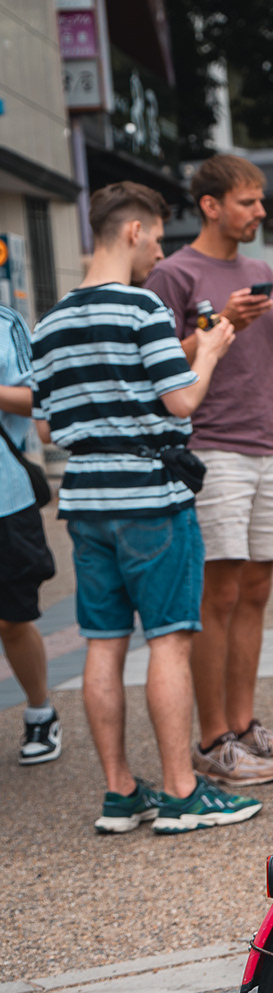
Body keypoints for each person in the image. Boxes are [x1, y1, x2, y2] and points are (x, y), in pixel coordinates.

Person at [30, 182, 260, 834]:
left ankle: (120, 794)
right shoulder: (141, 309)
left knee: (104, 646)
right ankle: (182, 793)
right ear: (131, 232)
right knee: (169, 642)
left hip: (87, 503)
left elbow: (47, 429)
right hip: (152, 502)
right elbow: (182, 402)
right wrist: (211, 350)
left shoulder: (49, 323)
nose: (159, 252)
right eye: (157, 237)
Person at [146, 153, 273, 789]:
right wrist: (219, 328)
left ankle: (244, 728)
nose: (260, 212)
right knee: (215, 595)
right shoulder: (173, 274)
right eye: (248, 202)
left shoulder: (258, 270)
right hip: (212, 445)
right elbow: (157, 364)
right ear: (212, 205)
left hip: (270, 443)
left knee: (254, 592)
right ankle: (212, 739)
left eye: (261, 200)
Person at [0, 301, 58, 765]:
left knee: (12, 618)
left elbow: (39, 401)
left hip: (5, 497)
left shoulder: (5, 323)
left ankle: (40, 710)